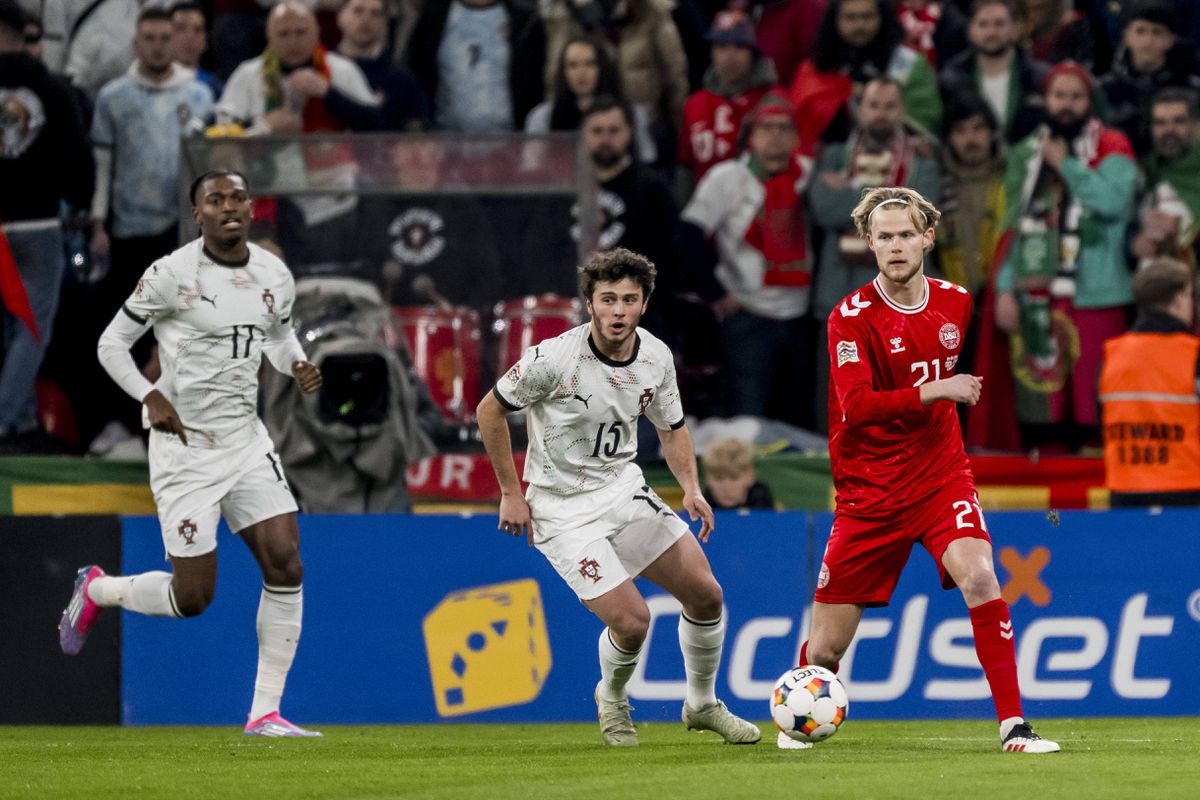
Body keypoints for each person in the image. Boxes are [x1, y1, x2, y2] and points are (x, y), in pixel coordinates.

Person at [789, 185, 1059, 754]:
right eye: (883, 237)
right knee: (824, 652)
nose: (895, 245)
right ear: (869, 243)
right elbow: (855, 407)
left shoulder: (956, 300)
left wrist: (937, 399)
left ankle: (1015, 725)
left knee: (981, 577)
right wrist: (937, 389)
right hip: (869, 490)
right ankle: (798, 718)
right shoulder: (850, 317)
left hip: (940, 476)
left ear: (927, 238)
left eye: (905, 234)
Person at [58, 170, 325, 738]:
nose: (228, 207)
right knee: (194, 596)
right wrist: (149, 394)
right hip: (185, 451)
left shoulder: (274, 273)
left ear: (251, 208)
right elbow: (111, 345)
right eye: (214, 200)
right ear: (196, 213)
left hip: (245, 440)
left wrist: (295, 362)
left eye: (236, 198)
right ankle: (98, 588)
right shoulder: (169, 275)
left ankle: (265, 713)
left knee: (287, 561)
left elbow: (277, 336)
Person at [476, 247, 761, 748]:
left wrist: (692, 487)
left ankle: (701, 705)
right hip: (561, 510)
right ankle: (611, 696)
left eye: (629, 299)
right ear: (590, 303)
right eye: (608, 299)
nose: (618, 310)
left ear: (644, 304)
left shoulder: (655, 357)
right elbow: (488, 412)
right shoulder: (552, 358)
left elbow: (672, 430)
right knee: (633, 622)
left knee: (706, 594)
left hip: (622, 492)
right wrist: (509, 493)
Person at [994, 62, 1136, 452]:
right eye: (1060, 96)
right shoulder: (1026, 153)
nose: (1067, 105)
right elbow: (1011, 228)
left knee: (1095, 400)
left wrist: (1065, 165)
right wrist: (1005, 289)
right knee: (1044, 403)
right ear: (1047, 101)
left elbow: (1112, 201)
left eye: (1076, 97)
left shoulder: (1114, 145)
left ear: (1090, 102)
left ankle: (1098, 493)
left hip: (1098, 296)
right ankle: (1048, 493)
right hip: (1038, 295)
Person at [679, 91, 817, 428]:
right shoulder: (727, 178)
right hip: (748, 319)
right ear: (751, 136)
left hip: (802, 318)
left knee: (797, 420)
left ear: (797, 138)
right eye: (767, 128)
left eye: (785, 129)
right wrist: (716, 295)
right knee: (746, 421)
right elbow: (687, 237)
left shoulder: (809, 175)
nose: (776, 137)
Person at [0, 0, 94, 452]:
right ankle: (6, 421)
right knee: (33, 326)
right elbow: (76, 154)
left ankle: (17, 420)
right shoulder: (50, 88)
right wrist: (80, 202)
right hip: (35, 223)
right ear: (21, 35)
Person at [1100, 257, 1200, 507]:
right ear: (1178, 300)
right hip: (1187, 492)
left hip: (1125, 491)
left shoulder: (1111, 355)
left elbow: (1101, 421)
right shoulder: (1194, 354)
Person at [678, 8, 778, 184]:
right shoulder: (694, 104)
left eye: (739, 47)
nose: (730, 57)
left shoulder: (773, 102)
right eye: (722, 46)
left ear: (753, 54)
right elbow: (686, 167)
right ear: (712, 52)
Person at [525, 34, 657, 164]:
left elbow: (647, 160)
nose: (581, 72)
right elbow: (533, 167)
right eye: (572, 65)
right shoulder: (543, 117)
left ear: (603, 68)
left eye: (589, 64)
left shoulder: (632, 113)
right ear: (563, 71)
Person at [1098, 0, 1200, 159]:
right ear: (1126, 36)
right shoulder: (1105, 88)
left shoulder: (1191, 88)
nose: (1148, 41)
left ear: (1170, 40)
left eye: (1157, 32)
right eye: (1140, 31)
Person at [939, 0, 1048, 144]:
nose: (991, 32)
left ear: (1015, 30)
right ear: (970, 31)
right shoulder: (950, 80)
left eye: (999, 24)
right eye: (983, 24)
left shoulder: (1040, 78)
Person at [336, 0, 429, 131]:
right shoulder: (322, 69)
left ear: (385, 23)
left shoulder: (404, 80)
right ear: (340, 17)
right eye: (358, 11)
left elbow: (416, 136)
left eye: (376, 14)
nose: (366, 19)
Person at [1136, 88, 1200, 268]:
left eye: (1179, 121)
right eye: (1159, 123)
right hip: (1158, 283)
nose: (1168, 130)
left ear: (1196, 125)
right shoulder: (1148, 170)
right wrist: (1134, 242)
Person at [701, 437, 775, 510]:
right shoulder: (699, 505)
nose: (726, 487)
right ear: (707, 479)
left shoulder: (763, 501)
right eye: (718, 478)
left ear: (750, 477)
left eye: (734, 478)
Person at [169, 2, 224, 98]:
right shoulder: (147, 85)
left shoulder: (216, 88)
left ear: (206, 40)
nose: (189, 37)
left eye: (198, 30)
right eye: (180, 28)